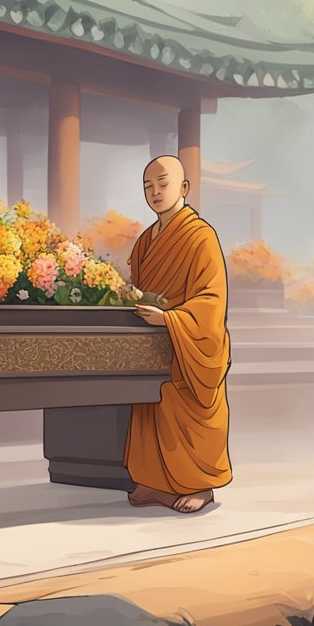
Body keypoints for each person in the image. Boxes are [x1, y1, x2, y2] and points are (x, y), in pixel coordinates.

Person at [125, 155, 232, 514]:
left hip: (189, 343)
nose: (154, 192)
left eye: (163, 184)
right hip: (152, 342)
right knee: (150, 405)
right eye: (147, 187)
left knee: (184, 406)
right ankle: (154, 483)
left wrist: (171, 320)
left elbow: (211, 299)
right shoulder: (145, 241)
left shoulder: (201, 236)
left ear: (184, 188)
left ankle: (201, 486)